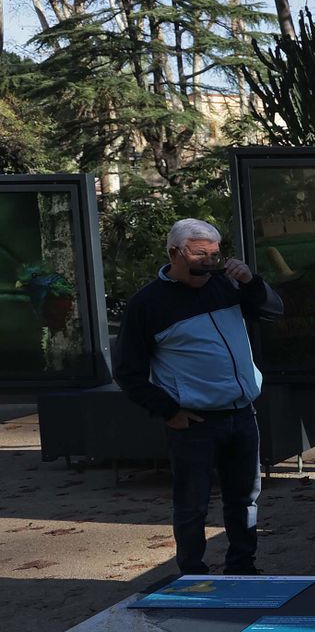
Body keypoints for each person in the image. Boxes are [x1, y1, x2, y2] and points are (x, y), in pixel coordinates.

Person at [113, 218, 284, 575]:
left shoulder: (227, 285)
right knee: (192, 504)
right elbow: (129, 373)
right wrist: (168, 411)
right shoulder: (148, 304)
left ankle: (242, 567)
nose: (208, 262)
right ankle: (192, 573)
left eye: (214, 254)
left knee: (245, 499)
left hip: (242, 413)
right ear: (174, 253)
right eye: (199, 254)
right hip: (194, 421)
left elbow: (273, 311)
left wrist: (251, 282)